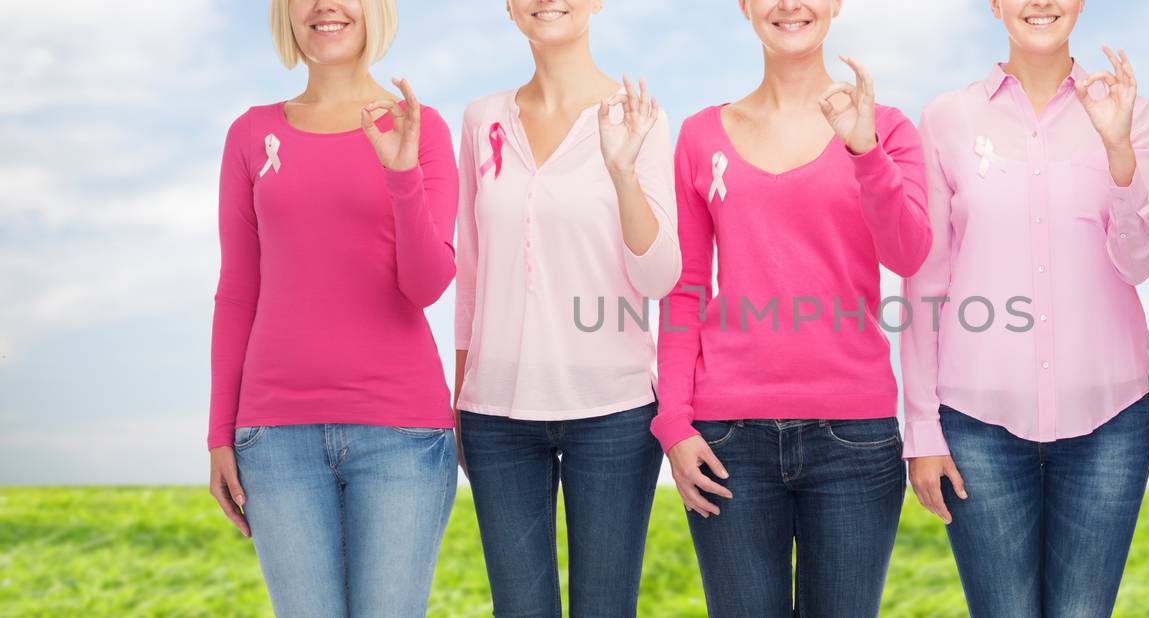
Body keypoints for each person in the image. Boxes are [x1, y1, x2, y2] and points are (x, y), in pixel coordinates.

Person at [654, 0, 932, 614]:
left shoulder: (885, 128)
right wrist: (674, 423)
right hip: (727, 441)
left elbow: (908, 254)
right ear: (746, 7)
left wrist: (865, 153)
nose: (789, 6)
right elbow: (686, 287)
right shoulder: (701, 135)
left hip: (854, 440)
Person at [902, 0, 1149, 614]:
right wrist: (921, 428)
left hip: (1110, 422)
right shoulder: (947, 119)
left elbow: (1140, 263)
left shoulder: (1135, 113)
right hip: (976, 425)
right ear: (994, 5)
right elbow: (925, 281)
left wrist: (1119, 150)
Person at [206, 0, 459, 615]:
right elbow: (238, 287)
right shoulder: (250, 133)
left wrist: (400, 173)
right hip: (274, 438)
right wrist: (220, 433)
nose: (325, 5)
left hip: (401, 433)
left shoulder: (420, 130)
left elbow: (427, 285)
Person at [452, 0, 680, 616]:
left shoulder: (641, 118)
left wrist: (623, 172)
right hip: (496, 415)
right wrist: (460, 397)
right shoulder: (481, 121)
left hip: (615, 414)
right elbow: (470, 272)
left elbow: (659, 278)